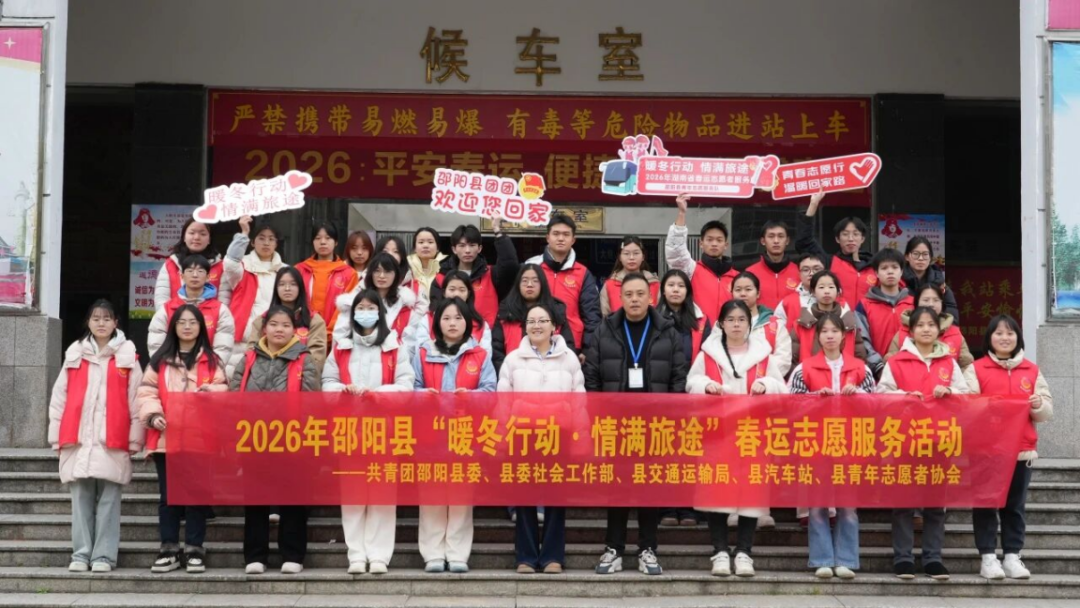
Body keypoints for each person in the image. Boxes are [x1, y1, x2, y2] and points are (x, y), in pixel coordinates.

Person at [585, 273, 687, 576]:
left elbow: (678, 378)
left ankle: (647, 549)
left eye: (640, 294)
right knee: (616, 489)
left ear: (651, 297)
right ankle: (614, 549)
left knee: (649, 489)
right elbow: (592, 378)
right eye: (628, 294)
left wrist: (670, 419)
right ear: (620, 298)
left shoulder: (667, 331)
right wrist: (599, 418)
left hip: (654, 425)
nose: (634, 299)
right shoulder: (605, 330)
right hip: (616, 425)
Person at [686, 299, 787, 578]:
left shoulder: (763, 355)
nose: (736, 324)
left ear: (749, 323)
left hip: (751, 434)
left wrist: (766, 384)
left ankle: (744, 552)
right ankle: (719, 551)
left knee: (750, 494)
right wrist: (705, 384)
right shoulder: (708, 354)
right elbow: (691, 383)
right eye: (730, 320)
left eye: (741, 319)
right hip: (717, 433)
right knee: (716, 492)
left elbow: (782, 389)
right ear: (721, 324)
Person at [48, 300, 144, 574]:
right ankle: (80, 554)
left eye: (107, 318)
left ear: (116, 323)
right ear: (88, 322)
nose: (101, 323)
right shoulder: (74, 354)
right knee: (80, 499)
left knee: (109, 501)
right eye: (96, 318)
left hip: (113, 437)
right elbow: (59, 398)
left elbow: (136, 401)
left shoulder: (128, 357)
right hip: (78, 438)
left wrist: (135, 439)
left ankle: (103, 556)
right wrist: (56, 436)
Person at [323, 290, 415, 574]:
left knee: (382, 493)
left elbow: (406, 386)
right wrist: (343, 390)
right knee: (352, 494)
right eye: (360, 307)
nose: (365, 312)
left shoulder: (394, 346)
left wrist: (378, 394)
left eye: (371, 307)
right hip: (350, 428)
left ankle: (378, 556)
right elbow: (327, 384)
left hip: (384, 428)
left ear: (380, 313)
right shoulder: (341, 346)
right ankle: (356, 555)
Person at [877, 306, 969, 581]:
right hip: (904, 440)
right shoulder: (896, 362)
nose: (926, 329)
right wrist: (904, 396)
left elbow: (966, 396)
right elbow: (881, 396)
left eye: (931, 325)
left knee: (936, 504)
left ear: (939, 330)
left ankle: (932, 558)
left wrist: (949, 391)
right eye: (920, 325)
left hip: (939, 441)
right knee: (903, 503)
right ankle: (903, 558)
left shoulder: (949, 363)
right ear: (911, 330)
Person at [136, 304, 228, 574]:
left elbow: (225, 390)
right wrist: (154, 415)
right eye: (181, 322)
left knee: (197, 495)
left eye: (193, 322)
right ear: (173, 327)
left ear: (201, 327)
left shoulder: (212, 361)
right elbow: (146, 392)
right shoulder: (160, 361)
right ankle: (168, 549)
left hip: (201, 439)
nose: (187, 327)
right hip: (167, 439)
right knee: (169, 497)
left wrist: (212, 393)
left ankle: (195, 549)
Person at [230, 305, 320, 575]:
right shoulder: (248, 358)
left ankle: (292, 555)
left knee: (293, 498)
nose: (279, 329)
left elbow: (311, 402)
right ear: (264, 328)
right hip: (254, 437)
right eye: (274, 324)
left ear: (295, 330)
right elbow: (234, 395)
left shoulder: (304, 360)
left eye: (285, 325)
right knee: (255, 499)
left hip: (291, 438)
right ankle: (255, 555)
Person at [964, 315, 1053, 580]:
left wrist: (1038, 405)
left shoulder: (1031, 370)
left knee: (1014, 506)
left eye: (1010, 333)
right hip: (985, 451)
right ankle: (988, 558)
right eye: (999, 333)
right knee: (986, 504)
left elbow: (1046, 411)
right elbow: (967, 406)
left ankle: (1013, 556)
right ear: (989, 338)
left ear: (1018, 338)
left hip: (1021, 450)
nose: (1005, 338)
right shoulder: (976, 369)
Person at [788, 312, 877, 580]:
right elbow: (791, 406)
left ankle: (846, 560)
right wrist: (815, 398)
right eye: (824, 331)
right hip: (816, 443)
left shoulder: (860, 368)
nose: (829, 336)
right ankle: (822, 559)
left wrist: (857, 394)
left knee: (848, 505)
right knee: (817, 504)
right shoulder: (804, 368)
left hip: (850, 442)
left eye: (834, 331)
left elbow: (877, 405)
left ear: (844, 335)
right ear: (818, 336)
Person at [498, 302, 585, 574]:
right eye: (531, 321)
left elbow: (579, 401)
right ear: (525, 327)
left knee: (556, 498)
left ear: (554, 326)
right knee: (524, 497)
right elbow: (502, 402)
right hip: (523, 435)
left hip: (559, 435)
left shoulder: (569, 359)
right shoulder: (513, 359)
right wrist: (502, 437)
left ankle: (552, 557)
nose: (537, 326)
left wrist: (582, 439)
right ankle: (525, 557)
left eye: (542, 321)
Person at [412, 297, 497, 573]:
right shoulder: (423, 352)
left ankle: (458, 553)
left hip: (465, 433)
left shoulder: (479, 354)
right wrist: (423, 396)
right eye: (446, 318)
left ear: (467, 323)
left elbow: (490, 392)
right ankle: (433, 553)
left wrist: (470, 397)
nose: (452, 323)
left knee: (461, 495)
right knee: (432, 495)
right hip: (430, 432)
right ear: (437, 322)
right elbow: (410, 388)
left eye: (458, 318)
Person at [655, 269, 710, 528]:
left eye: (680, 285)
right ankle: (667, 506)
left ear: (688, 291)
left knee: (690, 453)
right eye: (671, 285)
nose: (675, 289)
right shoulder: (652, 319)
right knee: (664, 451)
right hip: (662, 394)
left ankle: (688, 507)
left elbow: (709, 356)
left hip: (692, 395)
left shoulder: (701, 321)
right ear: (663, 290)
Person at [526, 214, 600, 352]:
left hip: (571, 346)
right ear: (547, 237)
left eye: (566, 234)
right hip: (534, 342)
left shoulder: (583, 273)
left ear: (573, 240)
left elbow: (592, 316)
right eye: (556, 234)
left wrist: (587, 349)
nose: (560, 238)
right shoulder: (531, 267)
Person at [334, 253, 426, 362]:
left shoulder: (405, 305)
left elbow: (409, 344)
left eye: (387, 271)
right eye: (377, 271)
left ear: (396, 274)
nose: (382, 276)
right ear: (370, 273)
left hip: (392, 364)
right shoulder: (356, 301)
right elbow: (340, 335)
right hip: (356, 362)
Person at [220, 216, 286, 365]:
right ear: (252, 242)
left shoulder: (285, 271)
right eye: (261, 238)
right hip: (243, 337)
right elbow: (230, 264)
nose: (266, 243)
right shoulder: (242, 265)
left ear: (276, 244)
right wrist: (243, 233)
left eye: (271, 239)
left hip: (276, 335)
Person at [431, 219, 519, 329]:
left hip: (486, 335)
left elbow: (510, 266)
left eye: (472, 245)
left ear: (479, 248)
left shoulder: (491, 274)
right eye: (462, 245)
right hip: (452, 333)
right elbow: (436, 311)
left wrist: (498, 232)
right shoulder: (441, 279)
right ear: (454, 249)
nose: (467, 250)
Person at [148, 254, 235, 365]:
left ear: (208, 277)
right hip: (172, 368)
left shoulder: (221, 310)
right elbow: (156, 343)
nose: (195, 275)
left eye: (200, 271)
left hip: (207, 370)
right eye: (190, 271)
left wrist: (210, 368)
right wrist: (170, 367)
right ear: (182, 276)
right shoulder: (167, 308)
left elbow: (223, 347)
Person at [666, 193, 739, 323]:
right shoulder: (691, 270)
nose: (714, 244)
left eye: (719, 240)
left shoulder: (737, 277)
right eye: (709, 240)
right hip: (697, 331)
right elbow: (676, 251)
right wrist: (682, 213)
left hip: (729, 333)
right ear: (701, 244)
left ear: (726, 245)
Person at [796, 190, 877, 305]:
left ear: (862, 239)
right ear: (837, 239)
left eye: (855, 234)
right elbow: (805, 242)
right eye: (845, 234)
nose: (850, 238)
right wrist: (813, 204)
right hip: (837, 315)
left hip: (866, 316)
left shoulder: (875, 265)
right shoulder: (830, 262)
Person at [492, 264, 576, 373]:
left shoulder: (555, 311)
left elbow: (567, 348)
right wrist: (508, 374)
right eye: (525, 281)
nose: (530, 285)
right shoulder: (506, 312)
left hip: (552, 376)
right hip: (514, 376)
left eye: (535, 281)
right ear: (518, 284)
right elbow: (497, 350)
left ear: (542, 284)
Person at [246, 267, 328, 370]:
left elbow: (317, 357)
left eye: (293, 284)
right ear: (276, 288)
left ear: (300, 288)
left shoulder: (314, 320)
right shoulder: (263, 319)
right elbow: (251, 351)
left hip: (299, 375)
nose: (287, 288)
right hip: (265, 375)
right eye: (282, 284)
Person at [294, 222, 360, 338]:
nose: (323, 242)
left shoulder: (349, 274)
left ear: (336, 242)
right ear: (312, 242)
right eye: (318, 238)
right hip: (301, 336)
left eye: (328, 238)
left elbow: (347, 309)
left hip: (336, 336)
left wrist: (329, 333)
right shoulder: (299, 270)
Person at [855, 248, 913, 376]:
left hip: (910, 370)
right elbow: (862, 340)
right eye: (884, 268)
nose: (890, 271)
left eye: (895, 267)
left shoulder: (913, 304)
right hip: (876, 373)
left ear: (901, 271)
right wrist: (878, 366)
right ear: (876, 273)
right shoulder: (864, 305)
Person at [790, 270, 867, 368]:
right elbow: (792, 358)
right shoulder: (802, 323)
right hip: (808, 374)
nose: (826, 291)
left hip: (845, 374)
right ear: (813, 291)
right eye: (821, 287)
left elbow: (860, 357)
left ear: (838, 291)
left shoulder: (849, 322)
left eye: (831, 287)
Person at [886, 284, 972, 369]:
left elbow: (967, 367)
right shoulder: (902, 333)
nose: (931, 304)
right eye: (926, 300)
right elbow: (891, 365)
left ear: (942, 303)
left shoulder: (955, 333)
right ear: (916, 303)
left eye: (936, 300)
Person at [729, 272, 793, 380]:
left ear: (758, 293)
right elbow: (717, 356)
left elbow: (783, 359)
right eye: (738, 290)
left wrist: (760, 379)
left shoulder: (775, 324)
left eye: (748, 289)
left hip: (766, 385)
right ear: (732, 293)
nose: (743, 294)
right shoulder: (722, 324)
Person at [153, 218, 223, 309]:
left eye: (202, 234)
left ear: (209, 239)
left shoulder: (221, 266)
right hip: (176, 317)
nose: (196, 237)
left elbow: (224, 301)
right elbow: (161, 299)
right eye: (192, 233)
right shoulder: (171, 264)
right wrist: (176, 317)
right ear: (184, 237)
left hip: (211, 317)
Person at [427, 271, 492, 353]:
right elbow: (422, 349)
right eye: (452, 289)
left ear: (468, 294)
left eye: (462, 290)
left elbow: (485, 355)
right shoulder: (429, 319)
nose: (457, 294)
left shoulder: (481, 324)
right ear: (444, 292)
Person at [745, 220, 800, 310]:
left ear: (787, 241)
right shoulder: (750, 273)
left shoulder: (799, 272)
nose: (776, 241)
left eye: (781, 236)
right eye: (771, 236)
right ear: (763, 241)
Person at [599, 236, 660, 317]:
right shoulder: (609, 285)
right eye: (626, 253)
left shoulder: (655, 284)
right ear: (619, 257)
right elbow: (605, 316)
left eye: (636, 253)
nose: (631, 257)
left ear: (643, 257)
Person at [903, 237, 959, 321]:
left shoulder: (940, 285)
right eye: (916, 254)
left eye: (925, 254)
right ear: (907, 257)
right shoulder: (898, 282)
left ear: (930, 258)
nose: (921, 258)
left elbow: (952, 317)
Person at [775, 254, 827, 332]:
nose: (811, 273)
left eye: (816, 269)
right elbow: (778, 333)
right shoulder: (787, 303)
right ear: (799, 274)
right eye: (806, 270)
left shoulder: (838, 300)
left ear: (825, 271)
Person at [407, 226, 447, 297]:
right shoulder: (406, 266)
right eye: (421, 242)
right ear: (414, 248)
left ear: (437, 248)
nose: (425, 246)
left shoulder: (448, 265)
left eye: (430, 242)